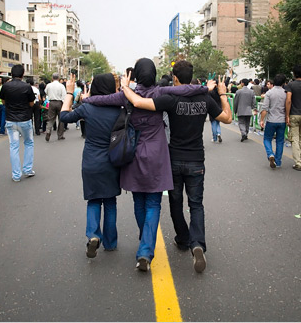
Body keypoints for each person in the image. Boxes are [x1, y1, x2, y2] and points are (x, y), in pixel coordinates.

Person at [82, 58, 208, 272]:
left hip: (134, 152)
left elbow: (101, 100)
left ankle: (145, 242)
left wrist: (86, 99)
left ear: (137, 75)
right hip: (157, 152)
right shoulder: (162, 92)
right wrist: (203, 87)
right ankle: (145, 250)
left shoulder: (126, 95)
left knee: (139, 201)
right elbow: (185, 91)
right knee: (153, 203)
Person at [119, 60, 232, 273]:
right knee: (196, 204)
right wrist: (223, 94)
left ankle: (182, 238)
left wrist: (125, 86)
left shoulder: (170, 99)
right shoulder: (205, 99)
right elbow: (227, 118)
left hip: (174, 159)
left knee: (176, 203)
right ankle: (197, 244)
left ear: (175, 78)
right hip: (196, 160)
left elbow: (140, 102)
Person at [59, 73, 122, 257]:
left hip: (91, 161)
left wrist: (70, 93)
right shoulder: (119, 109)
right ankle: (110, 243)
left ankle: (93, 235)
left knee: (94, 200)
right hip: (112, 160)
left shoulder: (87, 108)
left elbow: (64, 116)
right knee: (110, 202)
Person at [0, 65, 36, 182]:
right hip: (25, 119)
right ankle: (27, 169)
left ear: (11, 74)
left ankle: (16, 175)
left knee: (14, 147)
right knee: (28, 143)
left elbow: (3, 101)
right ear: (23, 74)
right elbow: (31, 104)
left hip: (10, 120)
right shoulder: (27, 87)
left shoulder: (5, 86)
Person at [260, 74, 287, 169]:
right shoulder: (286, 93)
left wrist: (262, 120)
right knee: (280, 141)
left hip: (271, 120)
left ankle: (270, 154)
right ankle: (278, 162)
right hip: (282, 120)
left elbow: (265, 108)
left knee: (267, 139)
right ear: (284, 83)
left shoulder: (269, 93)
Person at [44, 72, 67, 142]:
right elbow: (64, 96)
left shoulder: (48, 85)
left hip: (51, 102)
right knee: (61, 119)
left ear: (52, 78)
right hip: (60, 102)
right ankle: (60, 135)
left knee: (50, 118)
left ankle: (48, 131)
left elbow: (46, 92)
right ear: (59, 78)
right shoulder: (61, 86)